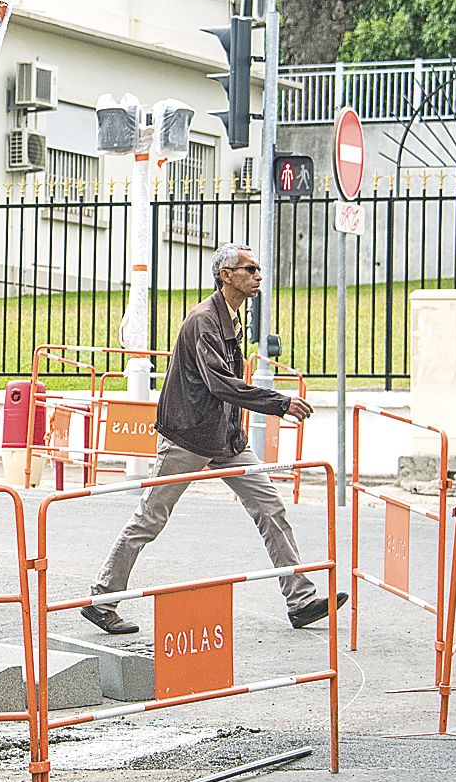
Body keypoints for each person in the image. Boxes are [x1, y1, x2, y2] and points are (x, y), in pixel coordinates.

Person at [84, 243, 345, 635]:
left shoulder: (232, 318)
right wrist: (279, 403)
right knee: (149, 519)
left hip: (226, 438)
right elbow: (220, 383)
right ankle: (102, 600)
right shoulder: (204, 321)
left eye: (258, 268)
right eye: (249, 269)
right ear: (226, 276)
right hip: (188, 437)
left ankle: (301, 600)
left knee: (270, 508)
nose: (258, 275)